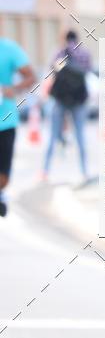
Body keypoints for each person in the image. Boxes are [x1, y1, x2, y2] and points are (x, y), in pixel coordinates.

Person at [42, 30, 92, 183]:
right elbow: (88, 71)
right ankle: (84, 171)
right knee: (80, 136)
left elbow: (53, 70)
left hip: (61, 100)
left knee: (52, 136)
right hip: (78, 100)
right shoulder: (84, 54)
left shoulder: (60, 52)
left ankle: (45, 171)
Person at [0, 36, 35, 217]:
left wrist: (11, 89)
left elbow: (31, 76)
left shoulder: (9, 49)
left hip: (5, 121)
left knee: (3, 177)